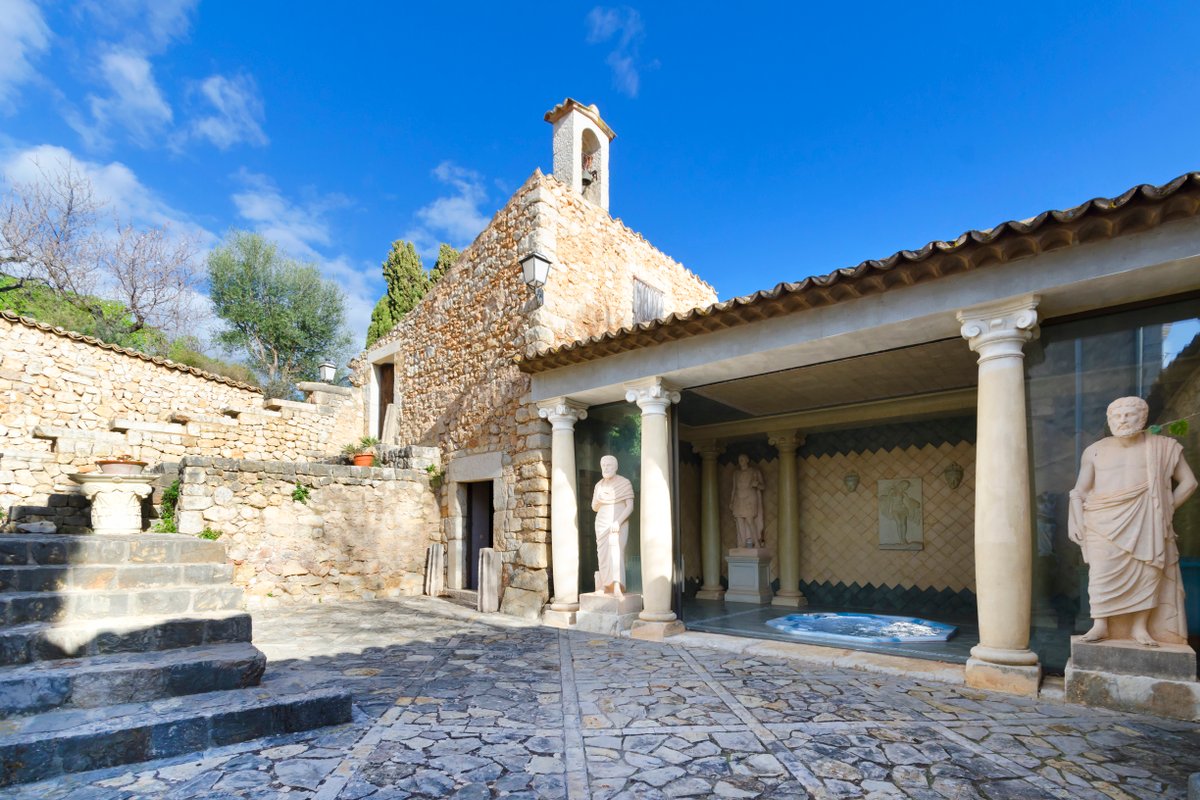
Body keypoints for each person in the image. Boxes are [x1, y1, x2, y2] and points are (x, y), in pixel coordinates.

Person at [1069, 396, 1197, 647]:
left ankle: (1140, 628)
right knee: (1101, 573)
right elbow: (1079, 491)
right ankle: (1101, 624)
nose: (1122, 420)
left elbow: (1189, 483)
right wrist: (1074, 520)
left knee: (1147, 572)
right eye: (1117, 416)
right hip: (1101, 520)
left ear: (1143, 417)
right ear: (1109, 420)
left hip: (1147, 519)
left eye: (1129, 415)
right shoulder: (1095, 450)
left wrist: (1163, 507)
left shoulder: (1163, 446)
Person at [591, 455, 634, 597]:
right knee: (602, 554)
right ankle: (604, 585)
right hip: (601, 522)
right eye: (603, 465)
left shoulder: (624, 482)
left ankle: (617, 585)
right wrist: (598, 497)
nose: (606, 468)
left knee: (616, 552)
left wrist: (618, 522)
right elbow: (594, 507)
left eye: (609, 465)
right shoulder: (599, 485)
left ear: (615, 467)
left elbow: (630, 507)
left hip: (618, 522)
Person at [730, 454, 765, 548]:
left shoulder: (754, 471)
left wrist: (757, 484)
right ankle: (741, 543)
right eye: (739, 459)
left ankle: (756, 542)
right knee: (739, 520)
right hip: (738, 498)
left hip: (750, 498)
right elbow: (734, 488)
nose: (740, 461)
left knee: (750, 520)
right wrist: (731, 501)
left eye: (742, 459)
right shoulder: (736, 473)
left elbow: (763, 486)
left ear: (747, 460)